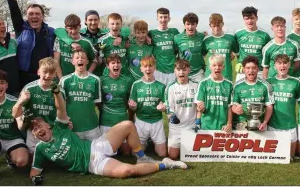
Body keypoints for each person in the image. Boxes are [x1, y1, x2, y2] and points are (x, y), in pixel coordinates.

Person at [29, 82, 187, 185]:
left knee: (128, 125)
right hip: (92, 165)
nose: (38, 129)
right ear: (34, 135)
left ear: (48, 126)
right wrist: (35, 178)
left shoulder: (59, 127)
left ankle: (141, 158)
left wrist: (56, 92)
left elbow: (61, 108)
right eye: (34, 129)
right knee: (127, 171)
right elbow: (34, 171)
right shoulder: (41, 149)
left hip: (95, 146)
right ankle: (166, 164)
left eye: (39, 124)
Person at [6, 0, 56, 89]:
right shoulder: (21, 27)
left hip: (44, 76)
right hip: (23, 76)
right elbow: (13, 9)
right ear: (26, 16)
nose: (34, 16)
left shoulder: (51, 32)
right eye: (31, 14)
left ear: (43, 16)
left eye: (37, 14)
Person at [11, 57, 63, 155]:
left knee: (55, 157)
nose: (48, 76)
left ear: (55, 74)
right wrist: (20, 101)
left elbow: (63, 113)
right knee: (32, 159)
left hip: (52, 129)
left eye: (51, 73)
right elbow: (15, 114)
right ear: (38, 72)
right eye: (45, 72)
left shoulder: (59, 91)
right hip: (34, 129)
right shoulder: (29, 88)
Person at [54, 10, 127, 77]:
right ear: (85, 21)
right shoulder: (80, 33)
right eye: (90, 20)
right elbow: (58, 31)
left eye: (95, 20)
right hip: (78, 72)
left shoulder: (106, 33)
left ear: (99, 21)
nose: (93, 22)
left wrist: (120, 36)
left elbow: (125, 29)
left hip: (100, 72)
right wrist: (71, 42)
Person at [128, 56, 167, 157]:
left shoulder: (161, 86)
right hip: (141, 121)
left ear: (155, 68)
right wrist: (133, 106)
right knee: (135, 154)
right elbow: (133, 106)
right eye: (145, 66)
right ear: (141, 68)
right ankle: (145, 141)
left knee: (162, 154)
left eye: (150, 66)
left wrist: (163, 107)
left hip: (156, 121)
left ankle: (151, 140)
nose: (148, 69)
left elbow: (166, 105)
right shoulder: (136, 85)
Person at [59, 49, 101, 141]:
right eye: (77, 58)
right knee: (75, 154)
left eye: (83, 58)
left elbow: (98, 104)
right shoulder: (65, 81)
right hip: (73, 127)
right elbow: (60, 105)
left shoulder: (95, 80)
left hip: (92, 127)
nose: (80, 59)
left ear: (87, 61)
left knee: (96, 154)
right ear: (72, 61)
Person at [266, 54, 300, 158]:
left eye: (285, 63)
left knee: (290, 158)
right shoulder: (269, 82)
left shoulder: (296, 82)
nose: (282, 66)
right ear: (274, 66)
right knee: (275, 157)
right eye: (279, 63)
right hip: (273, 125)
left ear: (289, 65)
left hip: (290, 125)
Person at [164, 59, 199, 160]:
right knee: (173, 155)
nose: (181, 72)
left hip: (192, 125)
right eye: (178, 70)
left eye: (184, 69)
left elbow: (199, 107)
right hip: (176, 128)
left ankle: (187, 141)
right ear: (174, 71)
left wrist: (198, 122)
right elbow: (169, 108)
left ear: (189, 70)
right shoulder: (170, 87)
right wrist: (171, 116)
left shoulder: (196, 85)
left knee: (192, 154)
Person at [100, 54, 134, 155]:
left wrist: (130, 119)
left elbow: (129, 102)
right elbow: (98, 102)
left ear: (121, 65)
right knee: (106, 153)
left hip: (122, 118)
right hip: (106, 120)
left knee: (127, 153)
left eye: (118, 62)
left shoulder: (127, 80)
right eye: (113, 63)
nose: (116, 65)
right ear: (107, 66)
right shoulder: (101, 80)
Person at [231, 56, 273, 131]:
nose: (251, 71)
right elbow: (232, 105)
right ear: (243, 69)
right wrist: (235, 109)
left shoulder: (265, 85)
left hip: (260, 125)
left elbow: (269, 106)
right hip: (242, 124)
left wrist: (265, 122)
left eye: (254, 68)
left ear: (258, 69)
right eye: (248, 68)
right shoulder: (237, 86)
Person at [194, 54, 233, 132]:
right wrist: (200, 110)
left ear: (223, 67)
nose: (217, 67)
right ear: (210, 67)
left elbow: (230, 107)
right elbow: (199, 107)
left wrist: (229, 124)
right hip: (206, 126)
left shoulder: (229, 84)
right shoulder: (203, 83)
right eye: (214, 65)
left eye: (219, 65)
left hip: (223, 127)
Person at [53, 14, 97, 79]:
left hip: (81, 80)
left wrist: (88, 74)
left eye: (76, 28)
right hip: (63, 78)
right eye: (70, 29)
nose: (73, 31)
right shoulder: (59, 40)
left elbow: (95, 61)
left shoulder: (86, 42)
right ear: (65, 28)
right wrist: (61, 79)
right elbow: (56, 61)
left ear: (80, 26)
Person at [234, 6, 271, 81]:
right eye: (247, 19)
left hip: (259, 71)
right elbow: (235, 50)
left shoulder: (264, 35)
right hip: (242, 71)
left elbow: (268, 54)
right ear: (243, 19)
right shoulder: (238, 34)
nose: (249, 21)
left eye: (252, 18)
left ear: (256, 18)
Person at [150, 8, 180, 86]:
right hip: (159, 71)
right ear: (157, 18)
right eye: (161, 17)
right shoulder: (152, 33)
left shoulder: (174, 31)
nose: (163, 20)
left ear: (169, 18)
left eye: (165, 17)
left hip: (173, 70)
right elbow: (140, 38)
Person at [203, 13, 238, 81]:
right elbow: (201, 56)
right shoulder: (206, 40)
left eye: (218, 25)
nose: (216, 29)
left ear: (222, 24)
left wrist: (232, 53)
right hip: (210, 77)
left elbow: (238, 53)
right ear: (210, 25)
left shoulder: (231, 38)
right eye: (214, 26)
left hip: (226, 76)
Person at [174, 13, 206, 82]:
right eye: (188, 24)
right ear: (184, 25)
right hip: (183, 72)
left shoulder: (202, 36)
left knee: (199, 92)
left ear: (196, 25)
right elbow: (173, 54)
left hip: (198, 73)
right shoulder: (177, 38)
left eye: (193, 24)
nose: (190, 27)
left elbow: (206, 51)